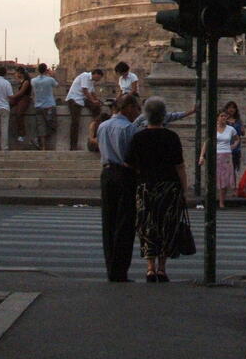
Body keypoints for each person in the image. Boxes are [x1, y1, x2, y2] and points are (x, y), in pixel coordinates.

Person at [126, 97, 187, 283]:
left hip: (146, 187)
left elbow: (129, 164)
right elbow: (180, 166)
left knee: (147, 226)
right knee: (166, 226)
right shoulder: (172, 137)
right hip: (169, 187)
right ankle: (162, 268)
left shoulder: (138, 137)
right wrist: (183, 189)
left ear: (146, 115)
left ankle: (150, 268)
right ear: (163, 116)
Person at [96, 94, 142, 282]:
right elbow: (131, 158)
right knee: (125, 224)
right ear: (128, 107)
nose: (137, 113)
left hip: (107, 174)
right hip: (125, 175)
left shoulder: (102, 126)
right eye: (136, 108)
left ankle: (110, 267)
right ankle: (120, 270)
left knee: (109, 222)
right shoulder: (129, 129)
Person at [199, 111, 240, 209]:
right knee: (214, 178)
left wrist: (234, 145)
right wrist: (202, 156)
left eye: (225, 116)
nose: (223, 118)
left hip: (226, 155)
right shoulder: (213, 129)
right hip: (215, 155)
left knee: (224, 179)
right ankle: (211, 199)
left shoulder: (231, 129)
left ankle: (222, 201)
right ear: (217, 118)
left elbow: (237, 138)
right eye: (221, 116)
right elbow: (206, 142)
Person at [66, 68, 104, 150]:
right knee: (75, 122)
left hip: (82, 99)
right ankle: (73, 146)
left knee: (97, 110)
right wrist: (93, 101)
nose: (99, 80)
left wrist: (97, 101)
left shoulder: (92, 81)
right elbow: (85, 91)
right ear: (96, 74)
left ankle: (95, 135)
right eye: (99, 78)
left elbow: (92, 92)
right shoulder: (85, 76)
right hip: (74, 99)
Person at [30, 63, 59, 150]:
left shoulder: (33, 81)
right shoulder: (50, 80)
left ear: (38, 70)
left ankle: (43, 147)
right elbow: (57, 85)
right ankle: (50, 143)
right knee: (51, 124)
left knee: (41, 126)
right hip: (49, 105)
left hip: (38, 106)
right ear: (46, 70)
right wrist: (52, 75)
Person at [10, 67, 33, 144]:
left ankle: (22, 134)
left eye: (16, 73)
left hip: (25, 98)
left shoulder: (26, 82)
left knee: (19, 114)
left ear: (20, 73)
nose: (15, 74)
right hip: (20, 98)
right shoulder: (21, 81)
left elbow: (21, 92)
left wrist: (13, 96)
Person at [223, 101, 244, 172]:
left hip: (235, 149)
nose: (231, 109)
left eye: (233, 108)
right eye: (229, 107)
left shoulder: (238, 121)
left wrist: (242, 129)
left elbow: (242, 133)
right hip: (224, 148)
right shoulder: (223, 120)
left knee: (233, 171)